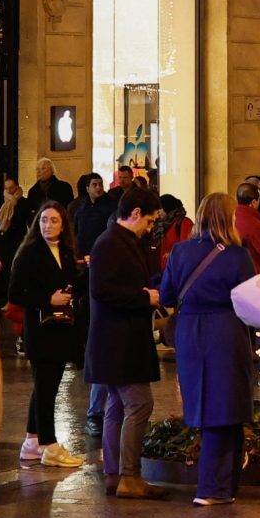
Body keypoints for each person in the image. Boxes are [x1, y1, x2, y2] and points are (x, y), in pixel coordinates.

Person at [161, 192, 260, 507]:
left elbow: (166, 294)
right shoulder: (237, 256)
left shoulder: (180, 252)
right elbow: (250, 299)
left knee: (209, 406)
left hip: (190, 333)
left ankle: (227, 485)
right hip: (226, 332)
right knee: (225, 407)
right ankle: (212, 487)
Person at [87, 184, 165, 498]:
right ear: (135, 214)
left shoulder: (124, 241)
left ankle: (114, 474)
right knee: (139, 403)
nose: (150, 227)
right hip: (117, 342)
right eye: (149, 220)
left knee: (117, 406)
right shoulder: (109, 244)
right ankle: (129, 477)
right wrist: (144, 298)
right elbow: (102, 291)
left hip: (119, 340)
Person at [6, 200, 88, 468]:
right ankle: (49, 445)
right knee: (46, 388)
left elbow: (68, 283)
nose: (47, 225)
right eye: (43, 220)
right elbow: (16, 293)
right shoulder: (30, 252)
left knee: (46, 385)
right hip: (40, 330)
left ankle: (32, 442)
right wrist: (47, 299)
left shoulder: (64, 251)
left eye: (53, 221)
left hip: (60, 329)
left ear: (63, 225)